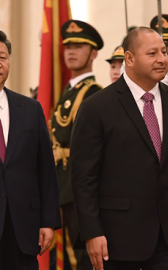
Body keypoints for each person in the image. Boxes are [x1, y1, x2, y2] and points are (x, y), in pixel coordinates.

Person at [70, 27, 168, 270]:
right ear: (129, 59)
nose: (162, 59)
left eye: (163, 51)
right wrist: (92, 232)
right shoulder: (97, 107)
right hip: (118, 238)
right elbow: (83, 177)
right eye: (152, 53)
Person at [0, 30, 62, 269]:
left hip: (22, 229)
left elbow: (45, 169)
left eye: (3, 57)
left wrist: (48, 221)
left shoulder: (30, 109)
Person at [50, 19, 103, 270]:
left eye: (79, 46)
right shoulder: (68, 92)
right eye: (68, 46)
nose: (71, 51)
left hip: (79, 187)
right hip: (63, 186)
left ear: (93, 53)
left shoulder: (93, 93)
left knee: (84, 258)